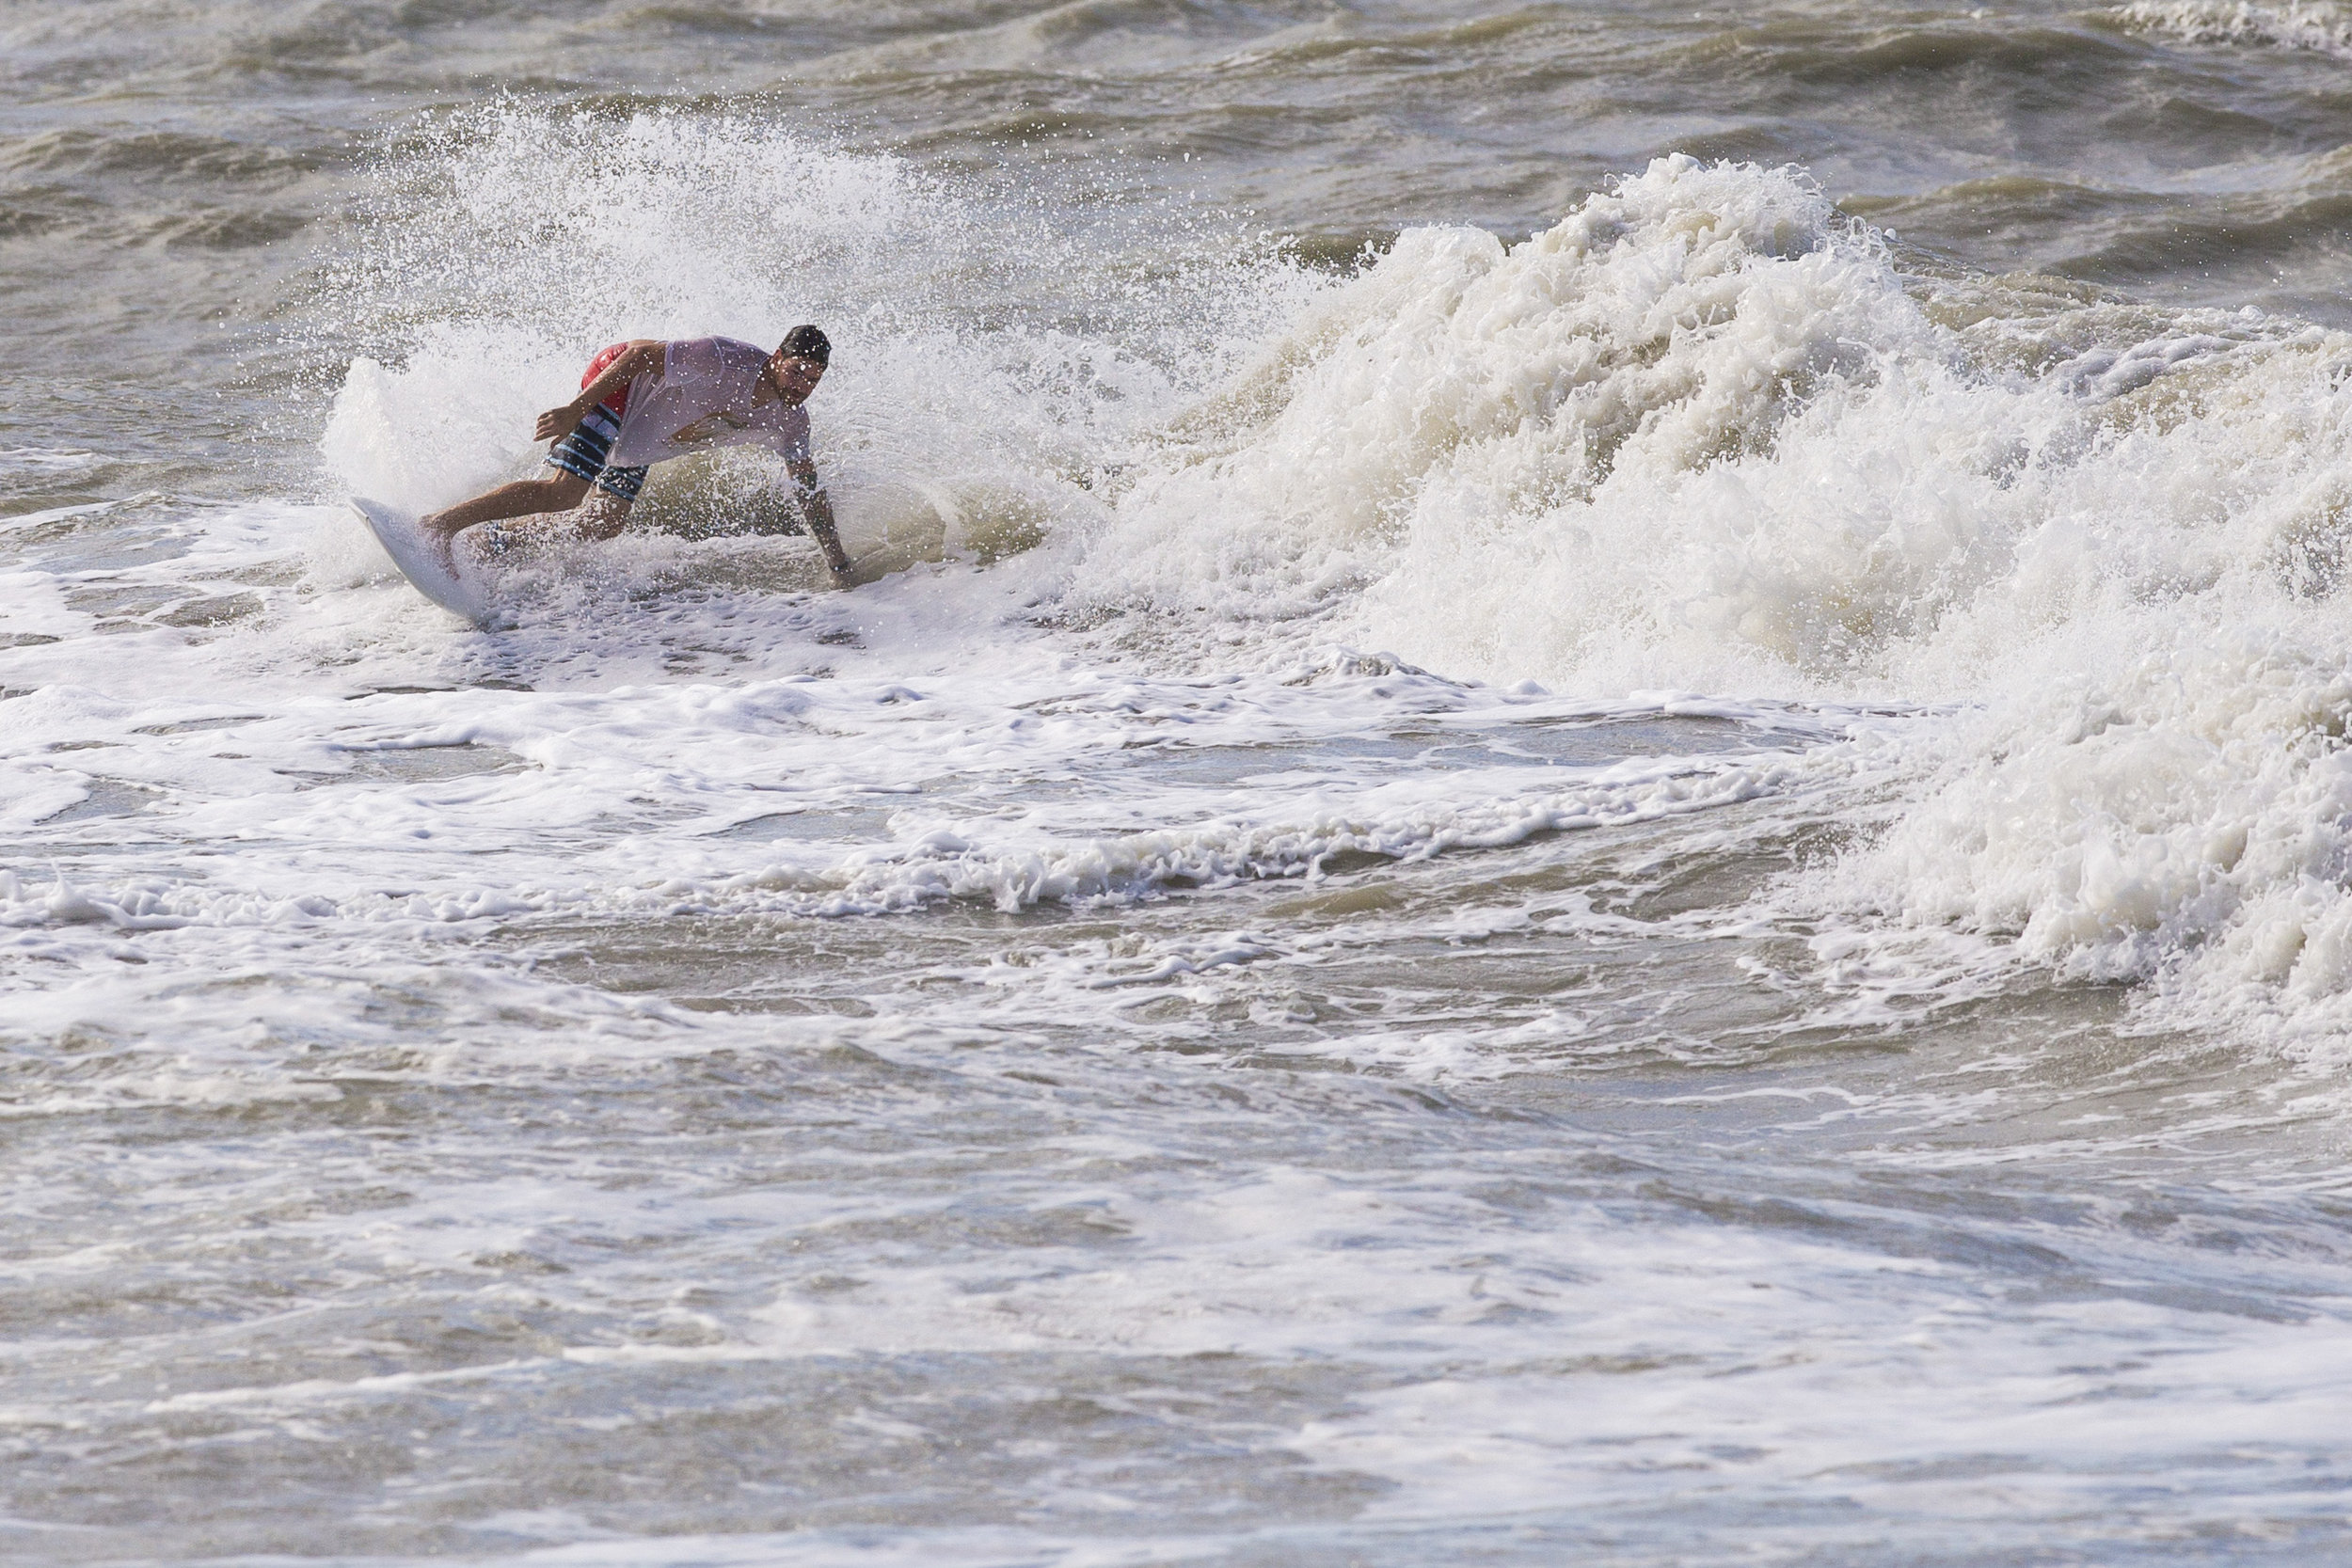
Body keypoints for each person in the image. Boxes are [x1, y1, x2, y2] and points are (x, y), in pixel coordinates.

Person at [420, 325, 852, 582]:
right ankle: (438, 527)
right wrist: (576, 409)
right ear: (777, 358)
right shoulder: (725, 358)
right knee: (565, 494)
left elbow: (808, 488)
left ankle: (486, 544)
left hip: (647, 430)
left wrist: (837, 560)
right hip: (621, 387)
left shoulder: (791, 421)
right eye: (797, 371)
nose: (801, 386)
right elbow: (640, 354)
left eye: (813, 380)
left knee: (604, 521)